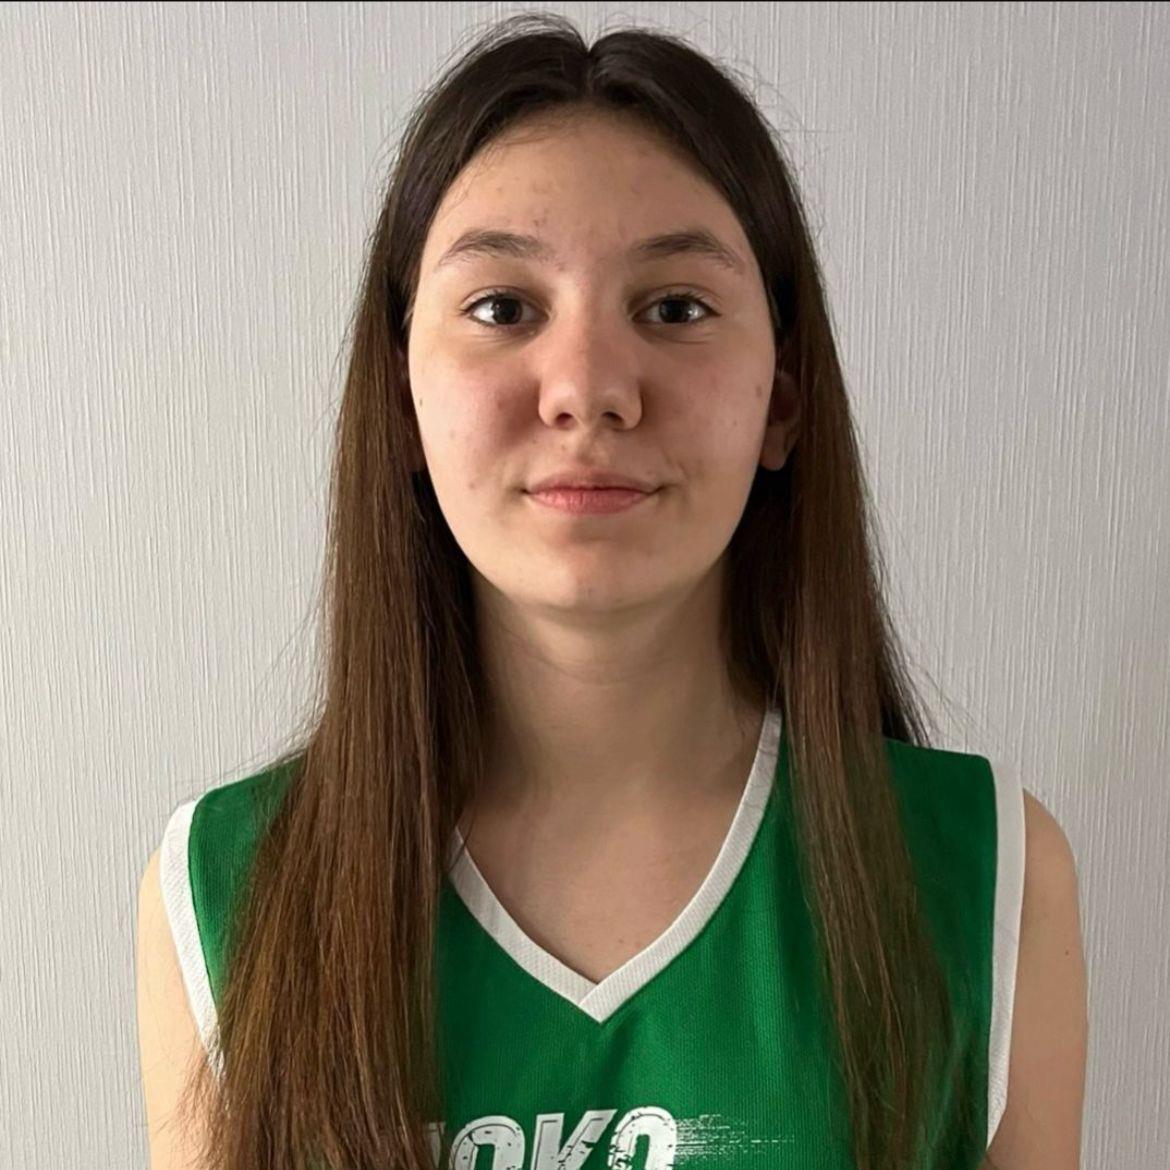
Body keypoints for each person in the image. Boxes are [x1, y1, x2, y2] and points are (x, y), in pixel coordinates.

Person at [135, 12, 1087, 1170]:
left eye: (675, 308)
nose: (588, 389)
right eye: (504, 308)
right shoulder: (230, 888)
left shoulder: (986, 872)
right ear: (402, 401)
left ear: (783, 397)